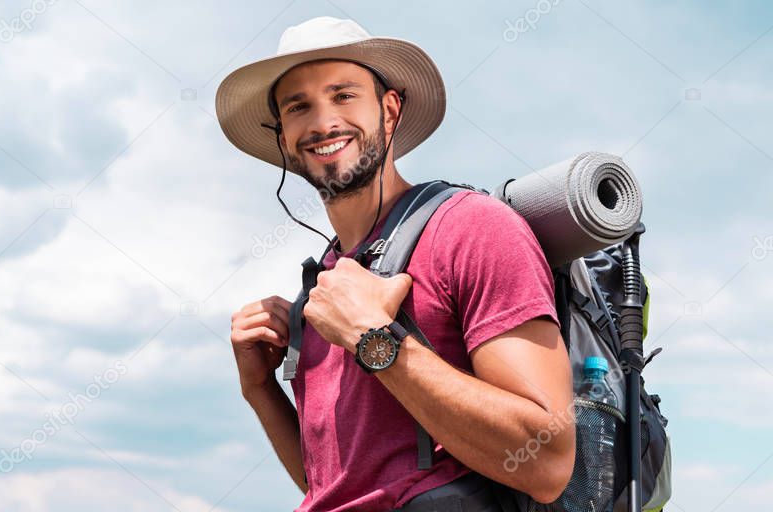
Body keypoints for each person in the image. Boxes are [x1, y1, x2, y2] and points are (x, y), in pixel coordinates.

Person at [216, 17, 575, 512]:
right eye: (298, 107)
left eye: (343, 96)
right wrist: (260, 390)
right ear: (282, 137)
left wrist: (373, 339)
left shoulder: (473, 230)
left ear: (389, 111)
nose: (322, 123)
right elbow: (338, 487)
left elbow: (548, 462)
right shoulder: (324, 288)